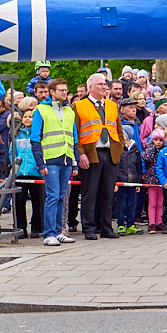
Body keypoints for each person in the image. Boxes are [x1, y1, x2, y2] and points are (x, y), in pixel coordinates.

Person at [74, 72, 125, 239]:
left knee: (108, 193)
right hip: (91, 153)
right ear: (90, 88)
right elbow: (76, 132)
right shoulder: (79, 106)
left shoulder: (112, 105)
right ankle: (89, 227)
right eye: (100, 84)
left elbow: (118, 128)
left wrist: (120, 146)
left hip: (110, 152)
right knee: (90, 192)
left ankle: (106, 227)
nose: (104, 87)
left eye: (105, 84)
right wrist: (81, 153)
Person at [30, 79, 79, 247]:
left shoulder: (69, 111)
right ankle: (49, 233)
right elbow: (35, 138)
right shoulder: (41, 110)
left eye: (66, 90)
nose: (64, 93)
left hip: (66, 158)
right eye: (61, 90)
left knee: (60, 196)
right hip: (50, 159)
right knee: (52, 196)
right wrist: (40, 163)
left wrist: (75, 162)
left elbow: (73, 138)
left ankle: (58, 231)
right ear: (52, 92)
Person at [12, 107, 44, 238]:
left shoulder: (38, 134)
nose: (27, 119)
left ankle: (36, 227)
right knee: (20, 201)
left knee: (37, 201)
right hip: (20, 173)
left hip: (35, 172)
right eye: (25, 116)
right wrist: (14, 167)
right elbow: (12, 152)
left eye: (30, 117)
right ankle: (21, 228)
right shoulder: (17, 134)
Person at [115, 125, 143, 234]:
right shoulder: (118, 148)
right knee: (121, 204)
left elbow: (138, 167)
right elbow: (115, 165)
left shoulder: (135, 149)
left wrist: (138, 182)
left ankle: (131, 224)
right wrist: (115, 182)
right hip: (120, 180)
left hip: (133, 181)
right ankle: (121, 224)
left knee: (132, 204)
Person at [142, 129, 166, 233]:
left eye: (161, 140)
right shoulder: (148, 150)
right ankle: (151, 223)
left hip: (162, 179)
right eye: (156, 140)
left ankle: (159, 221)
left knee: (160, 203)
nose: (158, 142)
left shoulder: (165, 150)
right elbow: (147, 159)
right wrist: (152, 149)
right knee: (152, 202)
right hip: (151, 179)